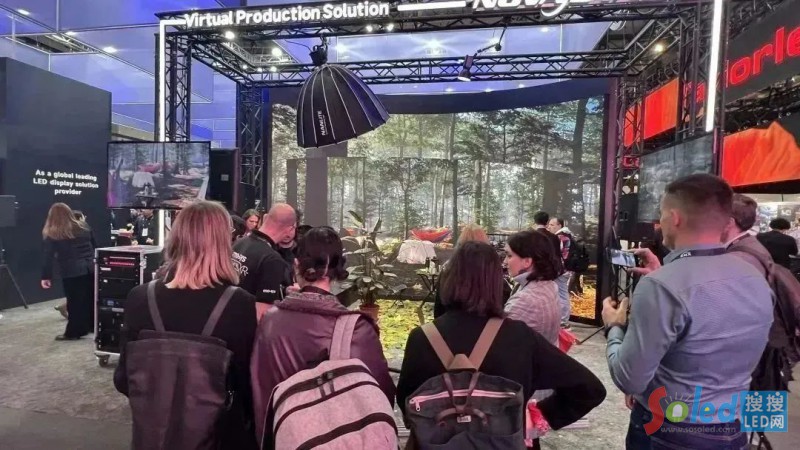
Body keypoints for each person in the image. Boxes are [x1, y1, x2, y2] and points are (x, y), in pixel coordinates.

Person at [602, 174, 773, 449]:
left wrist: (615, 327)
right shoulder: (755, 276)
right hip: (732, 427)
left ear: (675, 217)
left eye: (661, 215)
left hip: (668, 430)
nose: (660, 223)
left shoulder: (662, 286)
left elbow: (629, 378)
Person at [398, 241, 606, 450]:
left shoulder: (421, 338)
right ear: (496, 283)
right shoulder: (519, 337)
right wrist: (541, 413)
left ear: (449, 279)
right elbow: (590, 388)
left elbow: (406, 402)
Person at [114, 201, 258, 450]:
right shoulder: (238, 303)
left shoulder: (139, 298)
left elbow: (123, 379)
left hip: (154, 436)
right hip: (217, 437)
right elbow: (243, 384)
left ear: (176, 238)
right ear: (223, 242)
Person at [250, 226, 394, 440]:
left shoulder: (270, 321)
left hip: (284, 438)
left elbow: (260, 393)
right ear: (339, 269)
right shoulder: (356, 329)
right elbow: (382, 396)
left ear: (296, 265)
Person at [41, 203, 96, 341]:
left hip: (72, 271)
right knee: (90, 299)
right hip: (91, 268)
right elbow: (95, 246)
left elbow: (48, 257)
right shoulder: (84, 227)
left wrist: (46, 276)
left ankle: (74, 332)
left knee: (74, 302)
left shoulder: (54, 233)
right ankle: (91, 326)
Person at [503, 230, 561, 346]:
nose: (505, 261)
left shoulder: (524, 301)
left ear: (527, 261)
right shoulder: (550, 285)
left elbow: (500, 341)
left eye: (509, 255)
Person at [232, 203, 296, 304]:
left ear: (265, 217)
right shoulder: (272, 260)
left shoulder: (239, 243)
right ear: (290, 230)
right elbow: (262, 310)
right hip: (245, 313)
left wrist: (283, 290)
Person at [433, 223, 491, 318]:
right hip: (485, 323)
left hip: (451, 322)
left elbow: (439, 307)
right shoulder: (491, 270)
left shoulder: (448, 268)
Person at [547, 217, 573, 328]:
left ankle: (563, 322)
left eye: (552, 225)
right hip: (564, 270)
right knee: (560, 294)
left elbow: (559, 255)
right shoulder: (567, 235)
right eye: (549, 224)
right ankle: (561, 320)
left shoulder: (561, 237)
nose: (549, 227)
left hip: (561, 271)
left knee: (562, 295)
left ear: (560, 225)